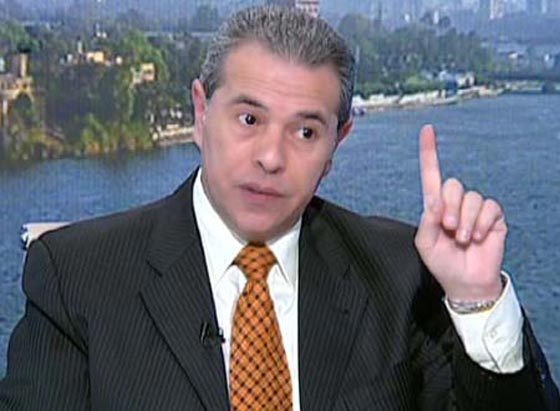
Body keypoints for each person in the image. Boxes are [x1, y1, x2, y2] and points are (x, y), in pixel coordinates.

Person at [0, 5, 558, 410]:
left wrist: (477, 302)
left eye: (306, 131)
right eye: (249, 119)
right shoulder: (75, 276)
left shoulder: (400, 273)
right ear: (200, 113)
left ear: (337, 144)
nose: (271, 157)